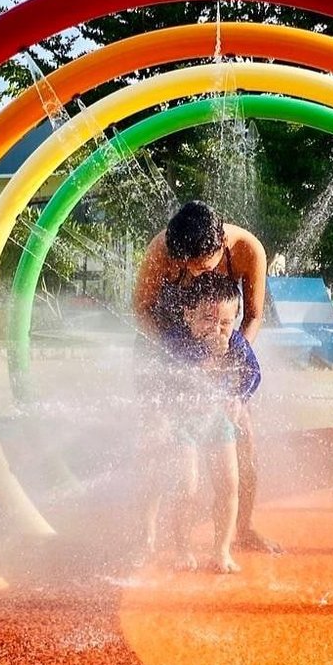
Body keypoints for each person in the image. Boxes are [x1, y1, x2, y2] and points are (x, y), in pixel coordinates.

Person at [133, 200, 275, 551]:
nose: (194, 273)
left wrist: (228, 355)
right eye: (186, 265)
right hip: (164, 352)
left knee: (245, 442)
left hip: (221, 354)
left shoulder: (247, 251)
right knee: (159, 439)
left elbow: (254, 316)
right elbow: (140, 309)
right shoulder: (163, 249)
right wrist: (174, 356)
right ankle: (147, 534)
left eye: (202, 265)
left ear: (220, 245)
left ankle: (243, 529)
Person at [152, 271, 262, 572]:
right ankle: (182, 549)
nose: (216, 329)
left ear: (235, 320)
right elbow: (170, 372)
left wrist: (239, 397)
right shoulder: (176, 340)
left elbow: (254, 374)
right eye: (206, 319)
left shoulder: (236, 341)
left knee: (229, 485)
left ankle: (221, 551)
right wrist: (207, 352)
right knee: (187, 486)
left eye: (225, 323)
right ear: (188, 314)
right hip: (182, 422)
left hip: (217, 421)